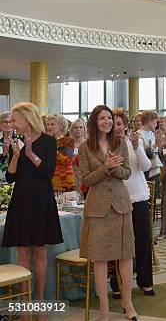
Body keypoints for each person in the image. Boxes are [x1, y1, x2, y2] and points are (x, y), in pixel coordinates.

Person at [78, 105, 137, 321]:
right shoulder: (85, 148)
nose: (107, 122)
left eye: (109, 118)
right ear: (95, 122)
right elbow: (86, 180)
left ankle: (127, 302)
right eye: (102, 118)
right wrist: (106, 167)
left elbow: (127, 173)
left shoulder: (119, 143)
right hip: (98, 207)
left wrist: (113, 168)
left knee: (125, 255)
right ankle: (104, 308)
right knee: (100, 259)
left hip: (121, 205)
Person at [1, 102, 63, 307]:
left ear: (27, 120)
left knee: (40, 251)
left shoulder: (48, 141)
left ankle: (40, 299)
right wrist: (16, 156)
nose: (12, 125)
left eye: (15, 120)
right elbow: (10, 178)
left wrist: (31, 154)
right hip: (21, 200)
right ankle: (25, 302)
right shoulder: (16, 142)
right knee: (23, 253)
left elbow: (48, 173)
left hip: (42, 200)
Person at [109, 108, 155, 298]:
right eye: (113, 124)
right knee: (118, 244)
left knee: (143, 240)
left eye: (119, 124)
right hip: (117, 200)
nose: (117, 127)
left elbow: (146, 166)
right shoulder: (105, 146)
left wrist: (137, 148)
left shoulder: (134, 142)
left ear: (125, 125)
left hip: (139, 197)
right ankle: (118, 284)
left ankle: (145, 282)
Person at [46, 113, 76, 192]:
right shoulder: (46, 141)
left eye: (52, 124)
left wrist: (52, 150)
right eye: (48, 124)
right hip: (48, 178)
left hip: (64, 179)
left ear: (61, 126)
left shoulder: (68, 141)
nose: (49, 127)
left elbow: (67, 159)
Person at [0, 111, 13, 182]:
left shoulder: (20, 138)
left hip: (16, 177)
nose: (8, 124)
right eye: (5, 122)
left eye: (10, 121)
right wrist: (4, 154)